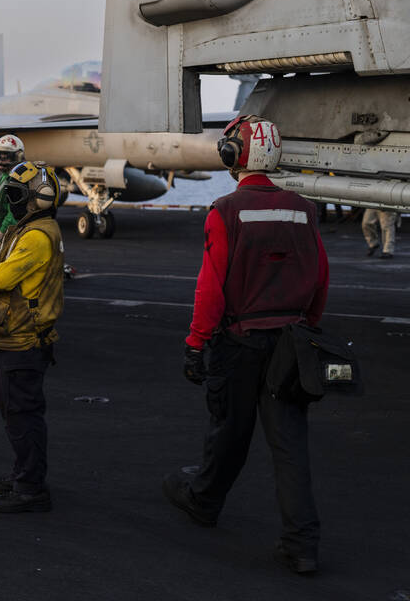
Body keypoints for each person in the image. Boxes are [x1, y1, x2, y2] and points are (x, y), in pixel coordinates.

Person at [161, 115, 329, 575]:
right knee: (290, 445)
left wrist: (196, 343)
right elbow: (320, 279)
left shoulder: (226, 210)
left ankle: (204, 501)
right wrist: (305, 327)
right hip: (291, 342)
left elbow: (211, 288)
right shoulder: (304, 209)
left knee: (230, 433)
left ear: (234, 154)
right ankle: (302, 545)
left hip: (239, 341)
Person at [0, 161, 63, 513]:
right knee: (15, 412)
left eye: (14, 195)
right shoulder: (24, 230)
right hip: (16, 337)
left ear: (34, 199)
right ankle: (24, 473)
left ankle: (30, 487)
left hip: (25, 339)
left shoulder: (37, 237)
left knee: (22, 414)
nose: (9, 201)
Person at [0, 133, 26, 241]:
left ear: (18, 156)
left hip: (5, 237)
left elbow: (12, 215)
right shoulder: (3, 177)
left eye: (5, 156)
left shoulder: (18, 180)